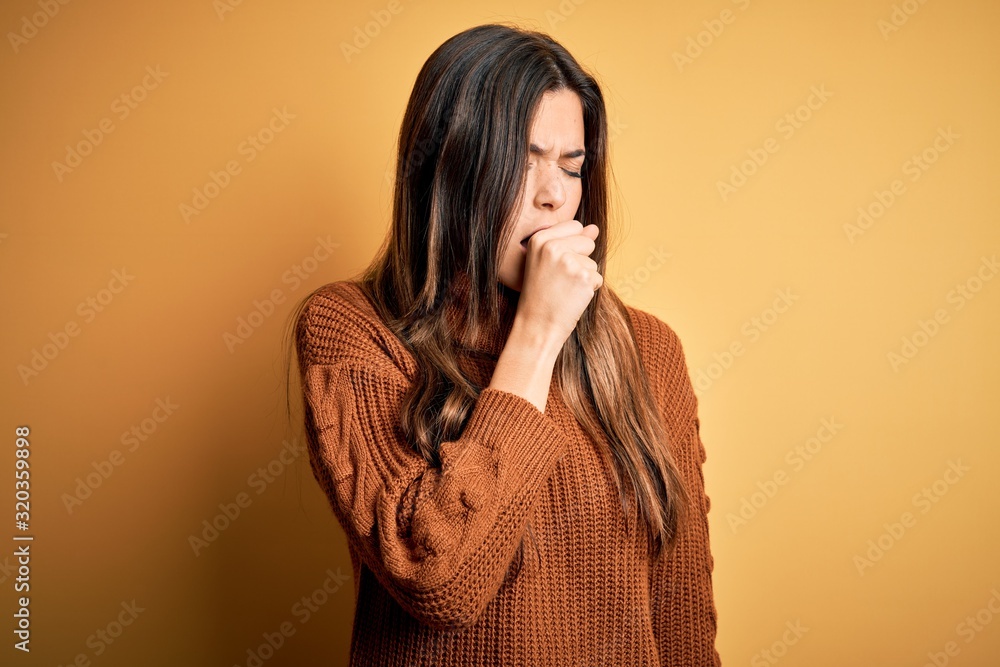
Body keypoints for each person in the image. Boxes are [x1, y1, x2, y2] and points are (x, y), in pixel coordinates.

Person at [285, 22, 721, 666]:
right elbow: (436, 578)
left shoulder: (648, 350)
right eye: (521, 162)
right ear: (446, 170)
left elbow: (680, 616)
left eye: (571, 168)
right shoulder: (352, 329)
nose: (553, 195)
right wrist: (538, 335)